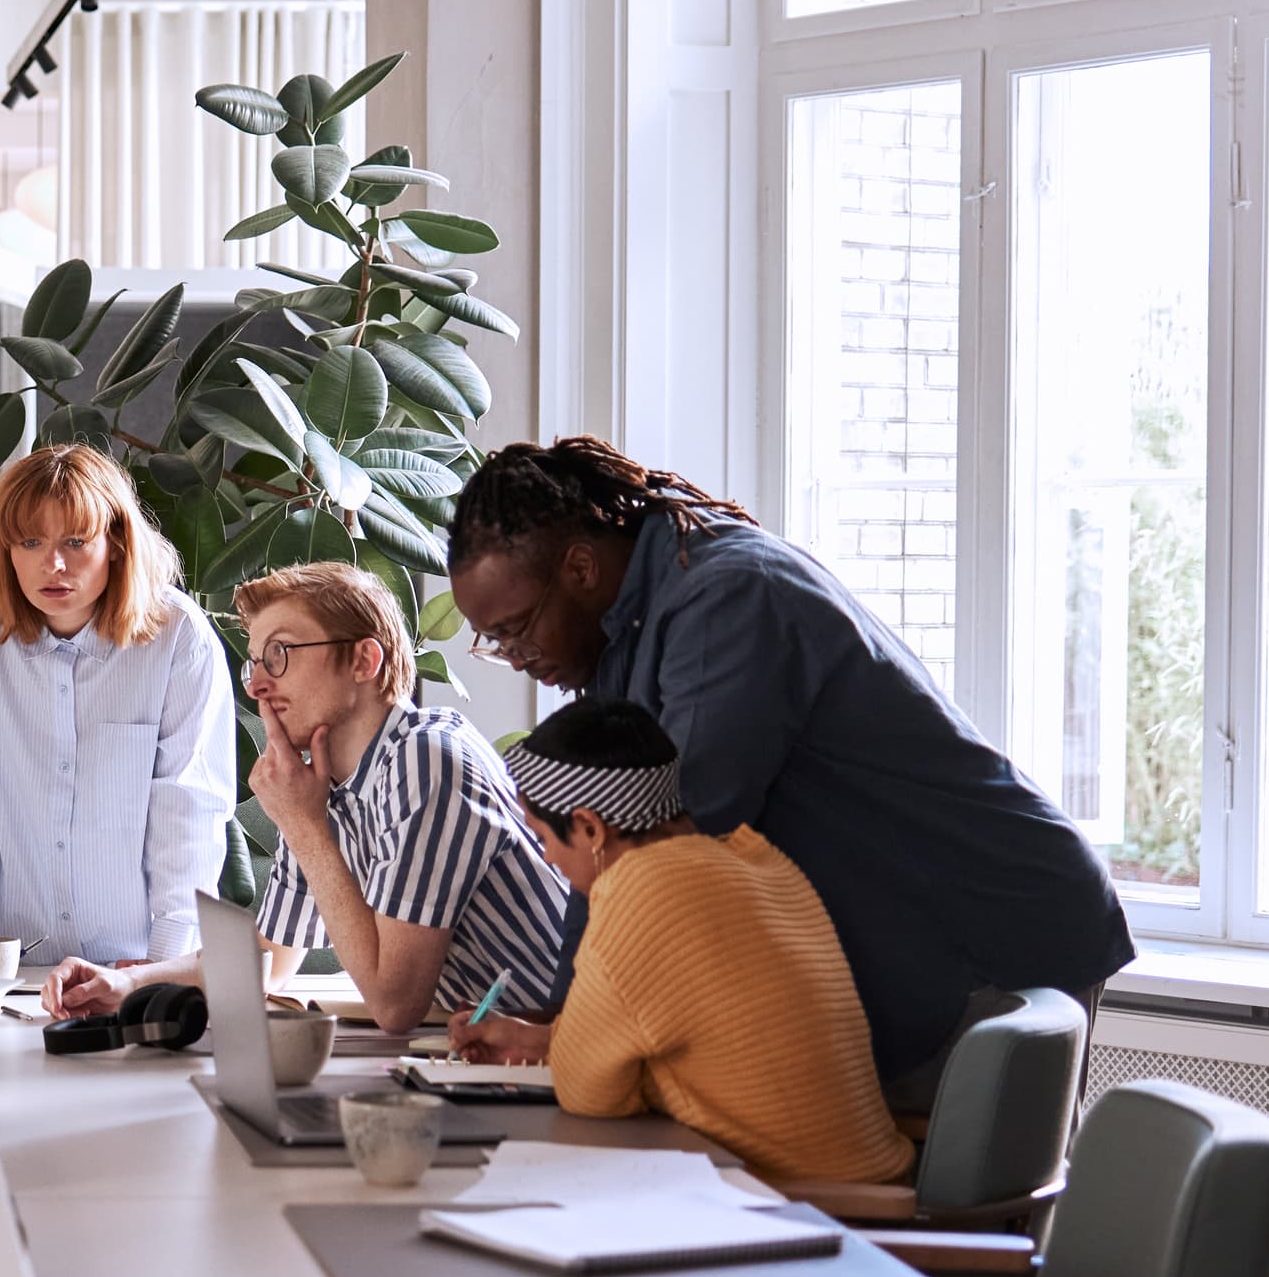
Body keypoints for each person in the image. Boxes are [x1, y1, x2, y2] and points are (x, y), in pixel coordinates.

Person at [440, 437, 1132, 1098]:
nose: (515, 655)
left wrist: (575, 1032)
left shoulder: (726, 599)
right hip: (926, 937)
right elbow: (610, 853)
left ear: (581, 570)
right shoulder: (630, 631)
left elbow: (671, 854)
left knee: (939, 1201)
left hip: (987, 931)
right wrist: (559, 1021)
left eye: (514, 629)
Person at [46, 561, 566, 1035]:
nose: (258, 687)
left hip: (563, 1058)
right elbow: (270, 957)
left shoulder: (427, 758)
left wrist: (302, 824)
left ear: (364, 660)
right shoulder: (327, 788)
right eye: (255, 663)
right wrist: (129, 987)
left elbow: (395, 1004)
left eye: (280, 655)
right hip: (482, 1048)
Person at [448, 700, 914, 1185]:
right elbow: (701, 1047)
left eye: (544, 836)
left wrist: (593, 1065)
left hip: (804, 1207)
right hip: (876, 1181)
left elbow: (589, 1094)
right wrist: (538, 1040)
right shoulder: (756, 862)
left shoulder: (639, 891)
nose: (547, 857)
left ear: (590, 828)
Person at [0, 444, 235, 971]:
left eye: (75, 541)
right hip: (10, 967)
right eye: (30, 541)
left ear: (115, 541)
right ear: (7, 549)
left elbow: (189, 814)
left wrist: (158, 977)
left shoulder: (180, 638)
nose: (53, 564)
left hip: (134, 967)